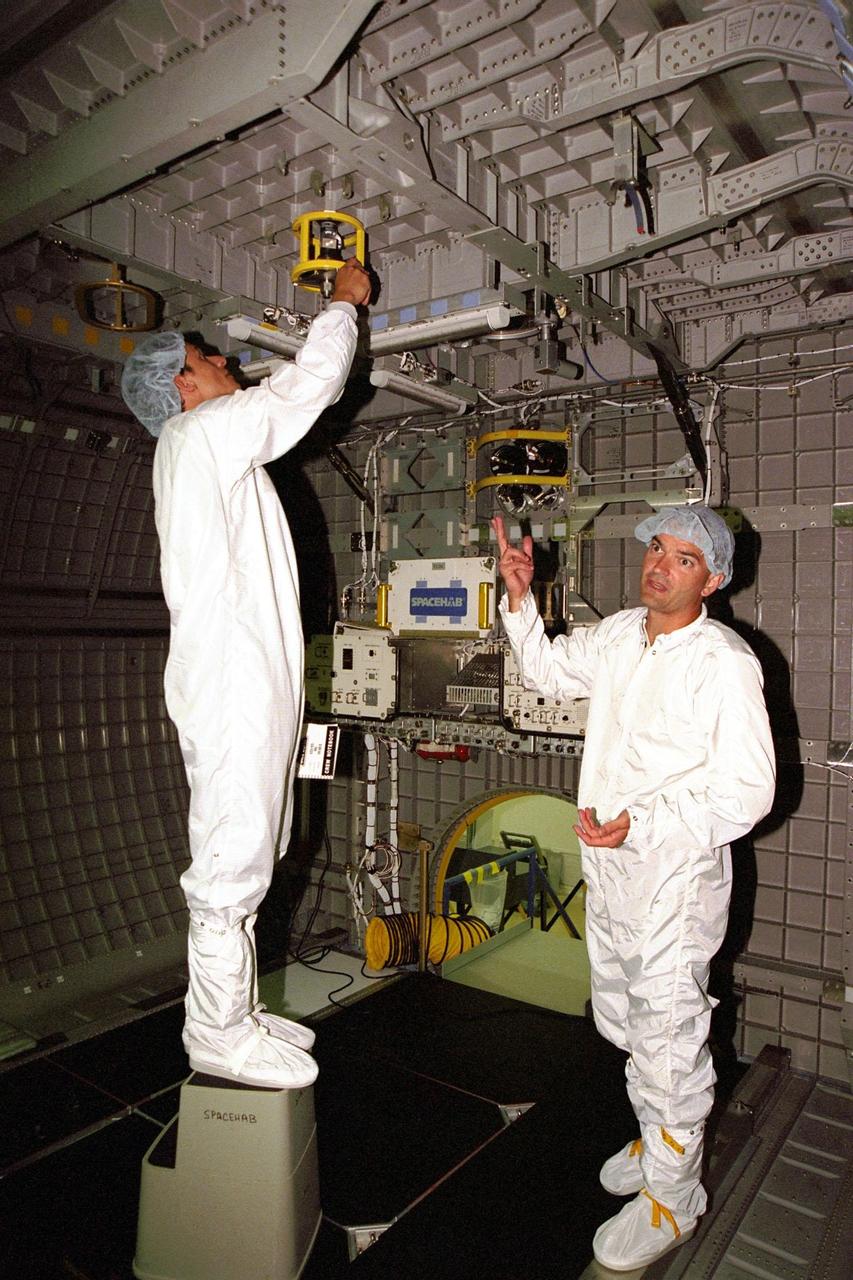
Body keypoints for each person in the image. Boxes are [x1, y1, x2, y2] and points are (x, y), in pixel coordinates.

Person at [492, 505, 775, 1271]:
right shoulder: (620, 633)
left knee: (666, 1041)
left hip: (673, 882)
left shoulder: (722, 662)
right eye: (655, 546)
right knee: (621, 1017)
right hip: (611, 872)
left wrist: (643, 824)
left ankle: (674, 1198)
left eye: (682, 557)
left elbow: (747, 793)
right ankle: (658, 1140)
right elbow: (549, 671)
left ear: (713, 579)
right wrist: (520, 599)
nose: (659, 563)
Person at [121, 258, 372, 1090]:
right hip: (234, 691)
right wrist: (342, 304)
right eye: (207, 361)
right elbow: (304, 391)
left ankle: (235, 1011)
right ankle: (216, 1035)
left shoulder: (208, 455)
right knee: (231, 865)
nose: (227, 363)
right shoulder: (198, 436)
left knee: (251, 854)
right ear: (182, 392)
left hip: (243, 685)